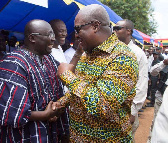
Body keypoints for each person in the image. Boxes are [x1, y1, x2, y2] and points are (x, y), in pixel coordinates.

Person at [55, 4, 138, 142]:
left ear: (95, 26)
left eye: (78, 29)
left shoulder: (123, 57)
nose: (75, 35)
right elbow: (82, 89)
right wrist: (61, 104)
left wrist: (68, 76)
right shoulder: (88, 53)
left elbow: (102, 105)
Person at [0, 19, 69, 143]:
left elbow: (58, 90)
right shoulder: (13, 64)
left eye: (53, 34)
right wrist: (45, 115)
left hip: (45, 133)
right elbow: (10, 110)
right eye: (49, 34)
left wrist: (56, 109)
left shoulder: (48, 59)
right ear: (32, 38)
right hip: (21, 136)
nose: (53, 38)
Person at [114, 19, 148, 142]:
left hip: (127, 110)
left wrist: (133, 111)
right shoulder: (113, 50)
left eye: (118, 28)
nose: (115, 31)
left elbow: (142, 83)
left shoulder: (138, 54)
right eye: (114, 28)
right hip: (112, 110)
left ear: (129, 31)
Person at [147, 58, 168, 142]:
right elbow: (153, 71)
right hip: (160, 98)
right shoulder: (164, 63)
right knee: (156, 125)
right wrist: (163, 63)